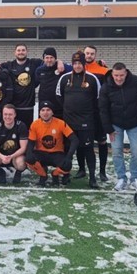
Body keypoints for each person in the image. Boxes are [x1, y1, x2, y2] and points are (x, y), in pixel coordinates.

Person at [99, 62, 137, 192]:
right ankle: (121, 178)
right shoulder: (106, 86)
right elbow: (103, 109)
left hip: (134, 123)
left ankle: (135, 178)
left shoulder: (136, 81)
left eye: (121, 75)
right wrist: (108, 129)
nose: (119, 78)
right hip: (115, 124)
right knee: (117, 151)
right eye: (116, 75)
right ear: (112, 74)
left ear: (126, 73)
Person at [56, 51, 101, 189]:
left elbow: (97, 99)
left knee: (88, 149)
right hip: (68, 122)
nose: (77, 66)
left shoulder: (92, 79)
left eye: (80, 63)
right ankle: (65, 175)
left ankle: (92, 178)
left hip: (86, 122)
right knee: (67, 149)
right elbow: (59, 96)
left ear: (84, 64)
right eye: (75, 63)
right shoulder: (64, 78)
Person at [27, 101, 79, 187]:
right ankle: (43, 175)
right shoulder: (35, 124)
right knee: (28, 159)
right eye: (43, 110)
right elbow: (31, 142)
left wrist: (69, 156)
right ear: (39, 113)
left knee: (67, 165)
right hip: (41, 153)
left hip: (56, 153)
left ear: (52, 112)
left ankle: (55, 174)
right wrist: (29, 154)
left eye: (48, 110)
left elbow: (74, 140)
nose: (45, 113)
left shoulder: (60, 123)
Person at [79, 45, 110, 182]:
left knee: (102, 142)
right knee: (83, 142)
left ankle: (102, 172)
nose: (89, 56)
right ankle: (82, 169)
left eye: (92, 53)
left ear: (95, 55)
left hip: (99, 112)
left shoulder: (104, 70)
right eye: (87, 53)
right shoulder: (77, 68)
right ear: (83, 54)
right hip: (83, 113)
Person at [0, 44, 43, 128]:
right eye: (18, 50)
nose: (21, 52)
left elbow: (49, 61)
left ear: (27, 51)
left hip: (28, 107)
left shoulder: (33, 63)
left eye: (23, 50)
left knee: (26, 131)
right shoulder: (9, 65)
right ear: (15, 52)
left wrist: (59, 62)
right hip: (13, 107)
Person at [0, 105, 28, 184]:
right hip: (1, 156)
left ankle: (18, 173)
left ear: (15, 115)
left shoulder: (21, 125)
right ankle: (1, 172)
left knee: (21, 163)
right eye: (5, 114)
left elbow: (23, 148)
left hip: (15, 156)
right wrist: (2, 157)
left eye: (10, 114)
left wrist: (11, 156)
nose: (7, 117)